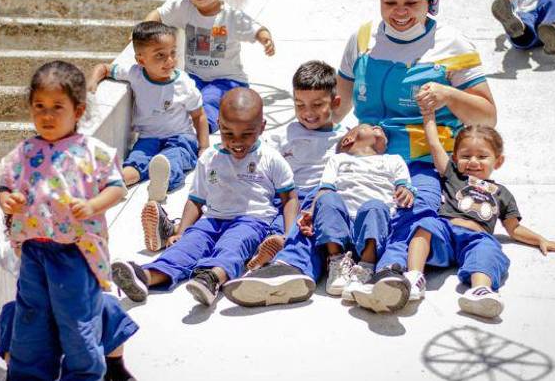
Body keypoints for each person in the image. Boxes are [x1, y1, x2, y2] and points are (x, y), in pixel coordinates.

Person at [335, 0, 498, 285]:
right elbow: (339, 106)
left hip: (420, 162)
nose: (400, 11)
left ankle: (392, 273)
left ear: (430, 1)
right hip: (366, 158)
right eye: (389, 1)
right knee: (324, 204)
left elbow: (488, 116)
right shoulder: (363, 39)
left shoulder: (452, 44)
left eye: (412, 1)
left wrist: (448, 95)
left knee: (414, 213)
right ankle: (291, 265)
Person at [349, 108, 555, 317]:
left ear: (498, 161)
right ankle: (414, 276)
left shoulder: (502, 193)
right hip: (444, 232)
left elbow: (514, 228)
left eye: (482, 157)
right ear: (455, 159)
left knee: (489, 248)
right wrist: (429, 117)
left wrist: (540, 240)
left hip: (475, 237)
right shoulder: (453, 175)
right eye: (466, 156)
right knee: (425, 223)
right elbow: (434, 144)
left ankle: (480, 291)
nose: (473, 161)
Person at [0, 61, 128, 380]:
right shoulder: (23, 152)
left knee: (77, 323)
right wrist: (8, 201)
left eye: (58, 106)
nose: (47, 115)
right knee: (31, 321)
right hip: (32, 252)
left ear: (78, 110)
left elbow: (117, 188)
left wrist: (92, 204)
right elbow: (5, 188)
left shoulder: (92, 151)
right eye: (39, 106)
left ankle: (83, 376)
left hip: (74, 254)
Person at [110, 88, 298, 307]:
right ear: (218, 124)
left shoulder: (271, 158)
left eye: (246, 134)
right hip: (211, 220)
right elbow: (196, 200)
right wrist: (181, 231)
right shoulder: (209, 158)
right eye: (228, 133)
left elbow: (289, 198)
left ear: (262, 127)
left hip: (252, 221)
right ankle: (146, 277)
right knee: (187, 246)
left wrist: (288, 233)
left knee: (232, 247)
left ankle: (212, 279)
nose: (237, 141)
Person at [223, 124, 415, 307]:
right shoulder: (338, 160)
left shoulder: (394, 160)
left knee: (375, 206)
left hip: (374, 226)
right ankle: (335, 263)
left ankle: (366, 270)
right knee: (328, 199)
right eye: (370, 126)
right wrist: (312, 212)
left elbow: (404, 184)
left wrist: (405, 191)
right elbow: (325, 189)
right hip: (340, 225)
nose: (378, 128)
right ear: (348, 140)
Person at [88, 21, 208, 253]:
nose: (169, 61)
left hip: (180, 137)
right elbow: (103, 68)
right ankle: (115, 182)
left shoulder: (183, 83)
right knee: (137, 161)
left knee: (173, 159)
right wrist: (93, 83)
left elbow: (199, 116)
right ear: (141, 59)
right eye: (160, 56)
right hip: (148, 138)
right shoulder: (135, 74)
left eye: (172, 54)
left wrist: (203, 147)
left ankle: (159, 185)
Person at [0, 242, 137, 381]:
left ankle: (115, 367)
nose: (19, 245)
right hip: (37, 326)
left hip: (77, 319)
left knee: (108, 304)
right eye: (16, 239)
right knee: (11, 311)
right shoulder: (14, 252)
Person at [145, 0, 276, 133]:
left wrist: (265, 39)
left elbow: (256, 29)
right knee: (179, 92)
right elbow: (159, 13)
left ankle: (203, 129)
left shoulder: (230, 16)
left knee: (210, 98)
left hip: (227, 81)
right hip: (195, 77)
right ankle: (170, 125)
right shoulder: (185, 8)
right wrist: (144, 30)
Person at [242, 61, 347, 271]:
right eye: (300, 105)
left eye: (317, 105)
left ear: (335, 102)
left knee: (307, 232)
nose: (308, 112)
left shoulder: (344, 137)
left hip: (317, 197)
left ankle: (293, 266)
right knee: (275, 223)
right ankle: (269, 253)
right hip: (287, 194)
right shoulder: (286, 134)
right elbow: (260, 155)